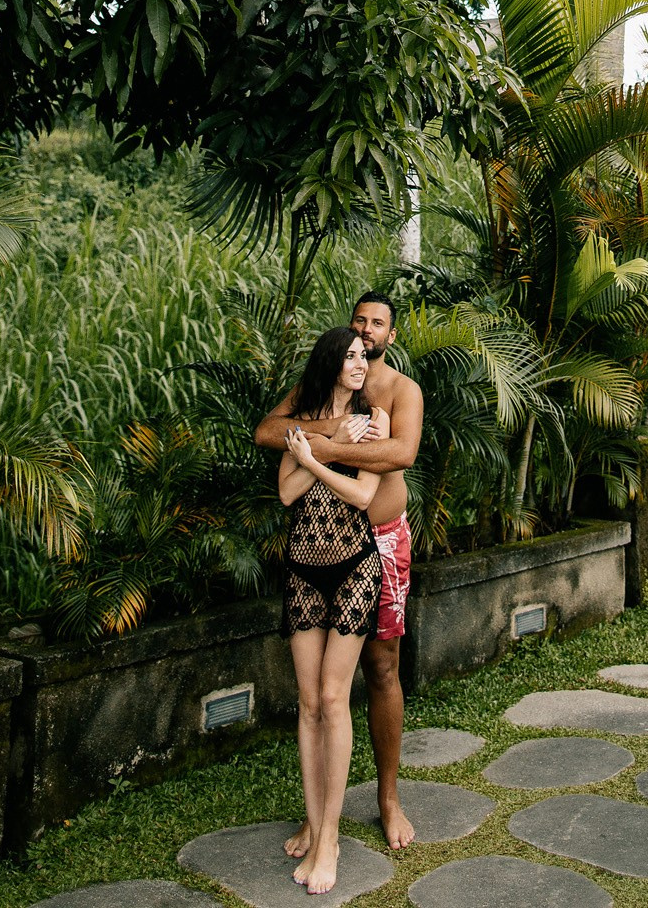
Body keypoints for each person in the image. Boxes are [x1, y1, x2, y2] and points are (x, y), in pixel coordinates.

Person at [256, 292, 423, 853]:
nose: (367, 330)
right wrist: (330, 433)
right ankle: (319, 817)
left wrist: (319, 450)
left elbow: (401, 454)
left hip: (381, 541)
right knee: (323, 694)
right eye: (359, 321)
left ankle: (387, 798)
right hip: (319, 547)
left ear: (391, 335)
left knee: (381, 668)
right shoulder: (324, 382)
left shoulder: (399, 391)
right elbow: (269, 431)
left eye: (378, 324)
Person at [278, 325, 389, 896]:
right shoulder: (305, 420)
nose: (361, 363)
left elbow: (364, 495)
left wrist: (317, 457)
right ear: (330, 364)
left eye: (363, 355)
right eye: (350, 356)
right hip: (303, 570)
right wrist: (317, 444)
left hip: (353, 568)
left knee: (331, 697)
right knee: (307, 704)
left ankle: (330, 842)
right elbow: (286, 492)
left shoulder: (375, 421)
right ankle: (315, 821)